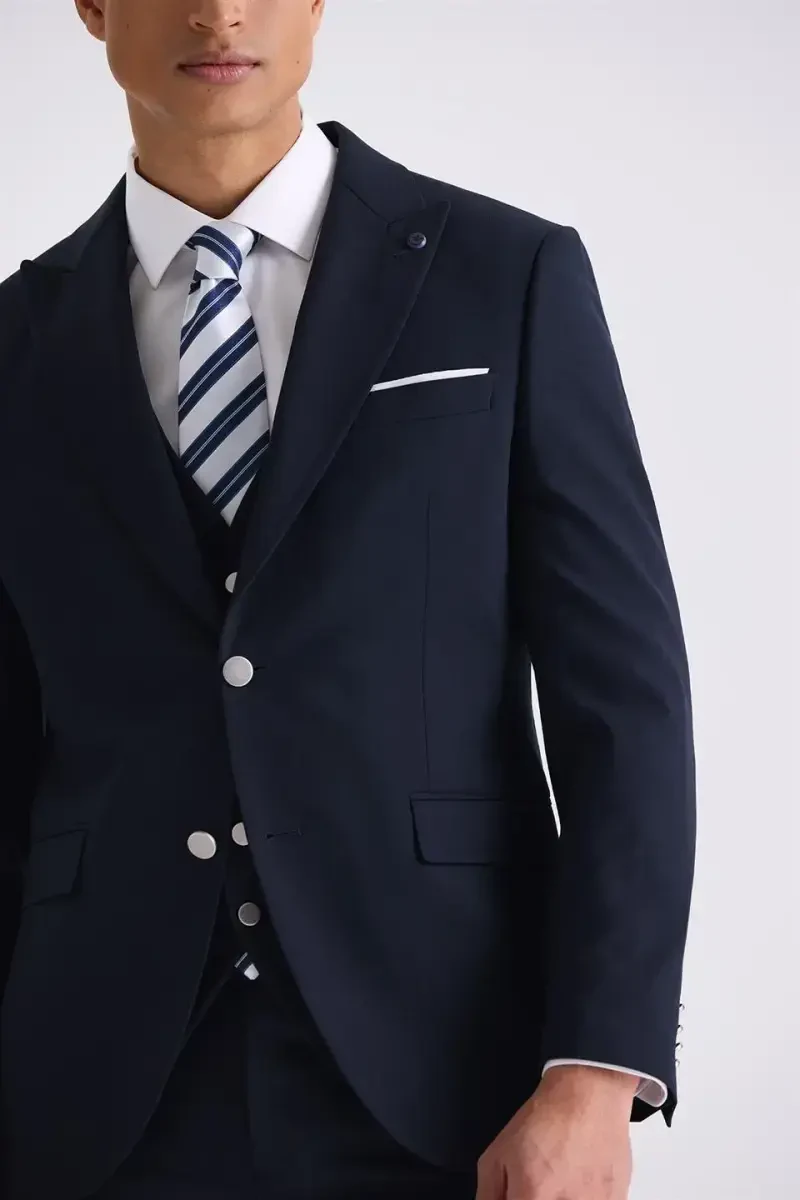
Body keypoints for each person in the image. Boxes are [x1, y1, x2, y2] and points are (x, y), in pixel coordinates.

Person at [0, 1, 696, 1198]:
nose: (219, 11)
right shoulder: (17, 343)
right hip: (96, 1092)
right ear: (94, 7)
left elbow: (622, 705)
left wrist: (594, 1070)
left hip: (448, 1081)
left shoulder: (503, 276)